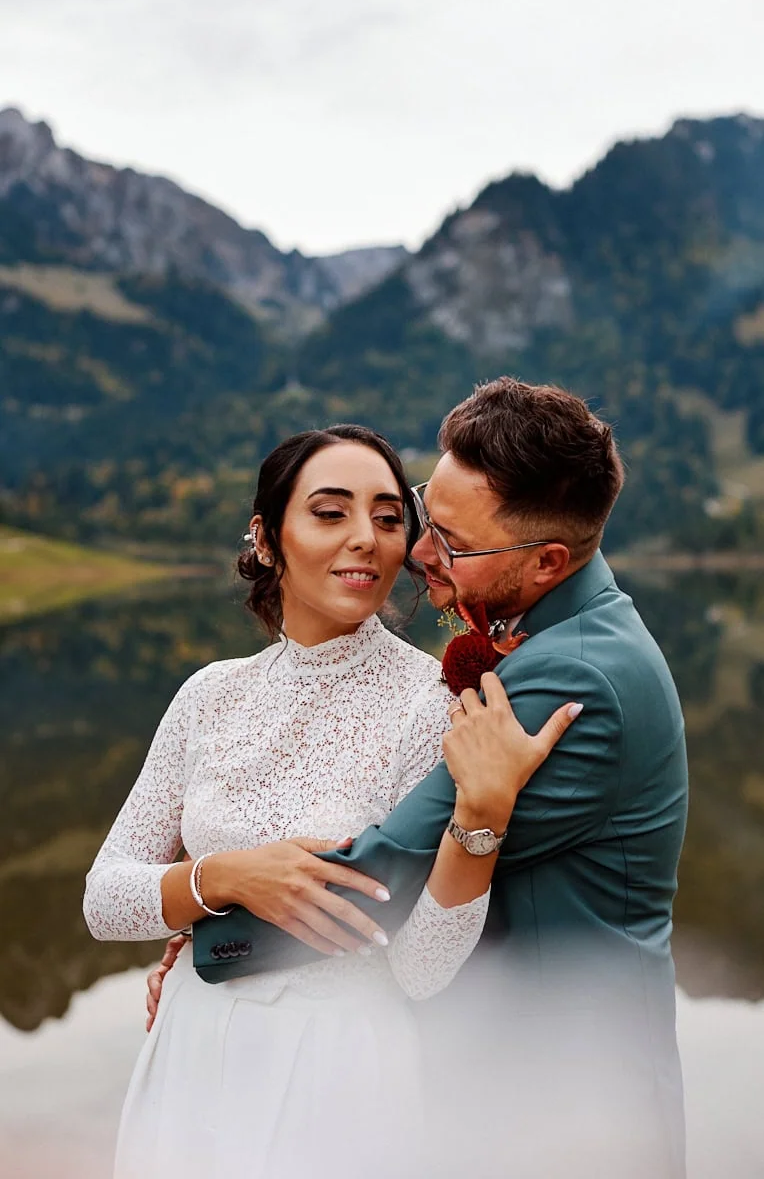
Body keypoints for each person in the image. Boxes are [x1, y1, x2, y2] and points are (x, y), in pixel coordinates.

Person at [149, 378, 689, 1178]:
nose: (418, 551)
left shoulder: (565, 680)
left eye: (455, 543)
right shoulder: (565, 630)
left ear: (546, 562)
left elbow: (382, 874)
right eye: (427, 510)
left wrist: (209, 926)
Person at [83, 422, 575, 1179]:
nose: (367, 540)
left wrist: (481, 820)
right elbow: (104, 901)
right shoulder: (209, 695)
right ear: (266, 537)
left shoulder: (433, 701)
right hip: (191, 1047)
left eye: (386, 517)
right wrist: (221, 880)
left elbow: (421, 969)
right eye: (329, 511)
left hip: (341, 1067)